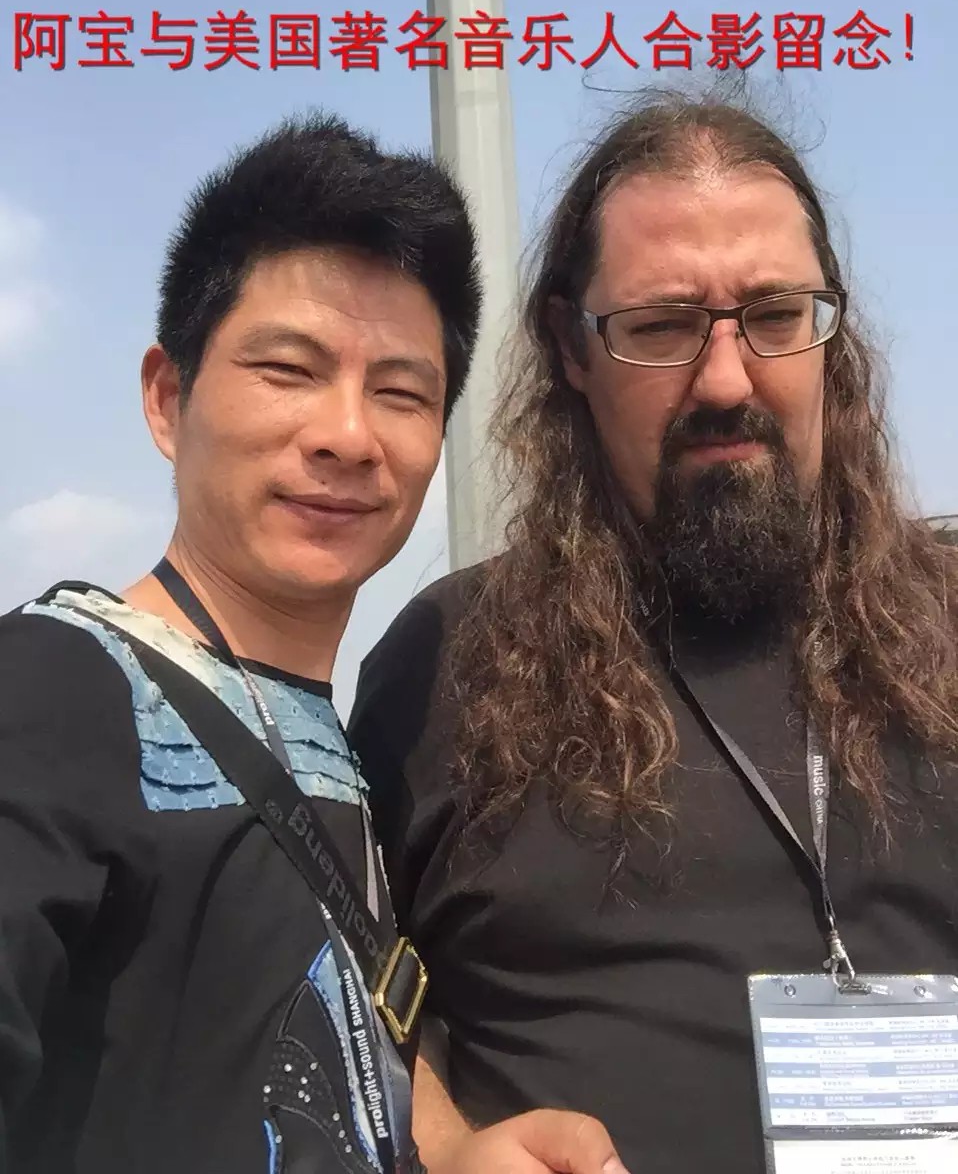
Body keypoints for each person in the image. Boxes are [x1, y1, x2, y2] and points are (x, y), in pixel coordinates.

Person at [0, 114, 628, 1174]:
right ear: (168, 398)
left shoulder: (342, 742)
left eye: (401, 391)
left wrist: (455, 1153)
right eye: (289, 369)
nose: (348, 434)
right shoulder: (51, 685)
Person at [348, 90, 958, 1174]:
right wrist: (442, 1144)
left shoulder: (946, 625)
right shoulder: (449, 663)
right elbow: (333, 990)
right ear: (570, 349)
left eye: (776, 315)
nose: (724, 379)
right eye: (661, 328)